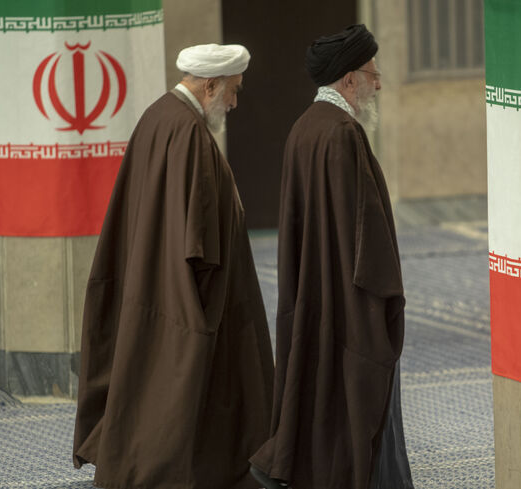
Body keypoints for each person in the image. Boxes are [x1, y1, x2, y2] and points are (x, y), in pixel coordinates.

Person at [72, 44, 274, 489]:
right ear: (210, 85)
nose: (235, 103)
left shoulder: (160, 116)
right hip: (186, 296)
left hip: (155, 285)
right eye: (233, 91)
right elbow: (197, 238)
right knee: (185, 396)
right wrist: (202, 305)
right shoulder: (188, 134)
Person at [249, 25, 414, 489]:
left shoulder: (305, 127)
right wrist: (381, 305)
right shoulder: (342, 133)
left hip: (315, 298)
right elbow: (365, 241)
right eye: (372, 73)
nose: (378, 83)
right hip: (347, 306)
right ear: (348, 79)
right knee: (359, 403)